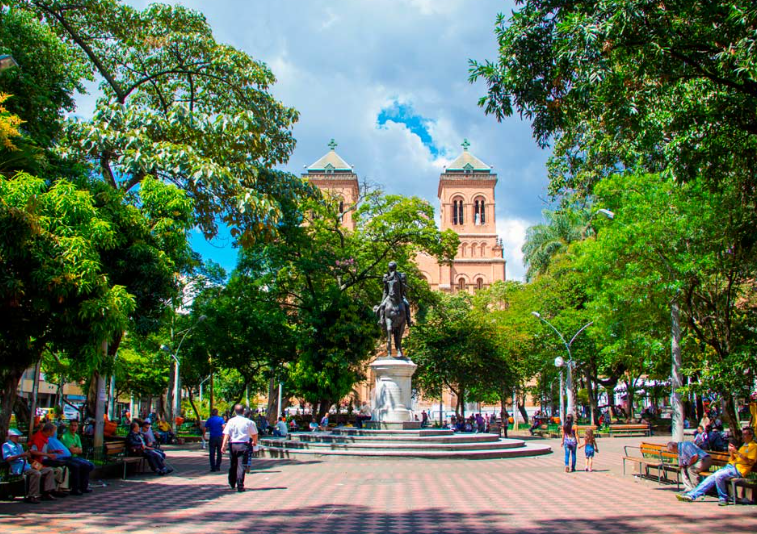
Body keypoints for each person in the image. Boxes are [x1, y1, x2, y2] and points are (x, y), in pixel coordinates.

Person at [677, 427, 756, 505]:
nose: (743, 436)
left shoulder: (754, 446)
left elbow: (750, 461)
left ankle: (721, 498)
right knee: (713, 476)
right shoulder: (744, 446)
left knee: (718, 476)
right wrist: (731, 452)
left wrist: (736, 452)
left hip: (739, 469)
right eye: (743, 434)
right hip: (730, 466)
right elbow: (734, 459)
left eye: (745, 434)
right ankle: (692, 495)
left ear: (751, 435)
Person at [30, 422, 91, 495]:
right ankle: (72, 488)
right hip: (41, 461)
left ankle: (55, 489)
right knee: (71, 465)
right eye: (53, 431)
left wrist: (53, 451)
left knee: (68, 466)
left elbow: (43, 450)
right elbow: (33, 451)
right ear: (49, 431)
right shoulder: (38, 438)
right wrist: (47, 454)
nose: (54, 433)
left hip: (47, 458)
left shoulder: (45, 438)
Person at [2, 429, 57, 504]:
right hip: (19, 468)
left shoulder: (19, 445)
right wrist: (21, 455)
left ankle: (47, 492)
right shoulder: (6, 445)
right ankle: (32, 495)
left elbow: (26, 457)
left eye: (18, 436)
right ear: (11, 436)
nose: (17, 438)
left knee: (49, 470)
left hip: (28, 465)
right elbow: (8, 458)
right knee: (36, 473)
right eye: (16, 436)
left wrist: (28, 456)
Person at [221, 404, 258, 493]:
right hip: (243, 445)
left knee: (233, 464)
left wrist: (223, 445)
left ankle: (232, 482)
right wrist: (254, 441)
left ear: (235, 411)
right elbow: (255, 433)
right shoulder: (248, 422)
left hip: (233, 444)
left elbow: (226, 433)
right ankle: (240, 485)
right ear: (243, 411)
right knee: (241, 465)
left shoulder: (231, 421)